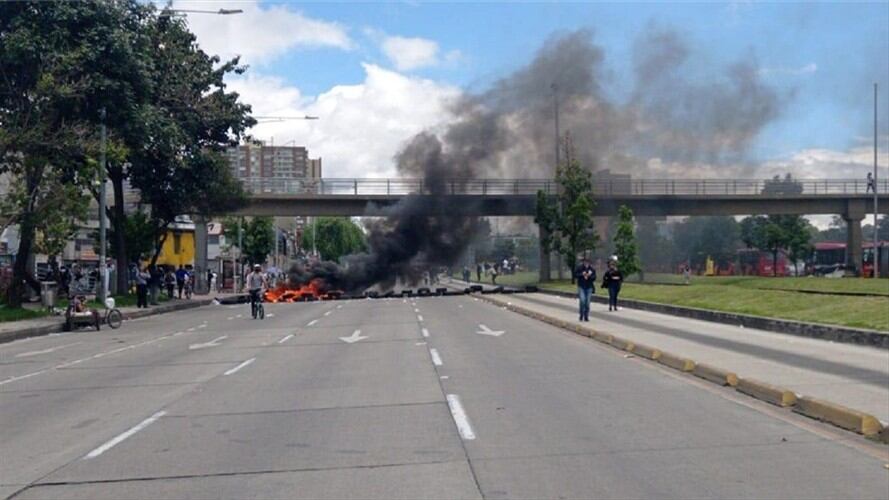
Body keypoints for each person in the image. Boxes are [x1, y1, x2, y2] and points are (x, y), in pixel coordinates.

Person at [575, 257, 596, 322]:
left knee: (587, 303)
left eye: (588, 262)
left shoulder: (592, 269)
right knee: (582, 301)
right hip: (581, 286)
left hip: (589, 287)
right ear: (583, 262)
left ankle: (586, 316)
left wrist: (589, 276)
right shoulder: (579, 268)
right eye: (585, 262)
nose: (586, 263)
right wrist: (582, 274)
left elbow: (594, 277)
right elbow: (576, 275)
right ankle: (581, 314)